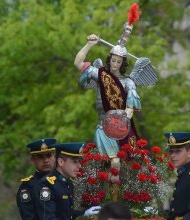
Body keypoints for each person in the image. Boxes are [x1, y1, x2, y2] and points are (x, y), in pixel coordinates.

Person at [74, 33, 141, 182]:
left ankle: (115, 198)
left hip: (121, 128)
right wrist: (89, 44)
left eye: (118, 61)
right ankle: (106, 198)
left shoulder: (128, 82)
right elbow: (78, 63)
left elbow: (130, 108)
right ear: (109, 59)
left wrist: (121, 121)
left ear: (122, 64)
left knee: (122, 165)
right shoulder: (100, 74)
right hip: (103, 127)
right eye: (113, 60)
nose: (115, 64)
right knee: (109, 163)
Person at [35, 142, 101, 219]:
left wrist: (85, 212)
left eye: (79, 161)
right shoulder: (46, 184)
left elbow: (66, 213)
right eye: (75, 161)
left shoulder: (67, 182)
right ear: (61, 162)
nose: (79, 166)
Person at [16, 138, 57, 220]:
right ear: (33, 159)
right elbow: (28, 217)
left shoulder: (63, 181)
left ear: (54, 157)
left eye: (48, 155)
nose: (45, 160)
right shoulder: (27, 187)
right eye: (40, 157)